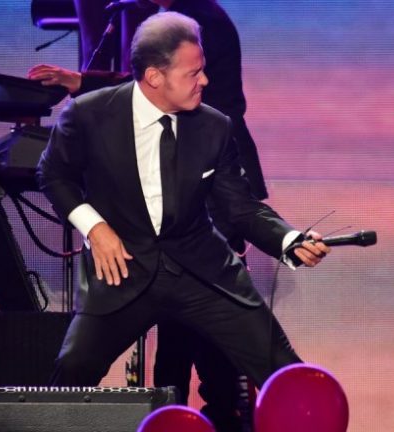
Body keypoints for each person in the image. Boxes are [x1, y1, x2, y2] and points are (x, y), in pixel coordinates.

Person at [37, 10, 330, 419]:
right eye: (193, 73)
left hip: (202, 273)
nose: (204, 81)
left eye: (203, 70)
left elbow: (241, 208)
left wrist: (289, 239)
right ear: (154, 77)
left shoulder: (214, 127)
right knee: (72, 369)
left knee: (285, 372)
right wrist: (95, 227)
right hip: (123, 270)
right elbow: (52, 174)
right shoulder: (88, 115)